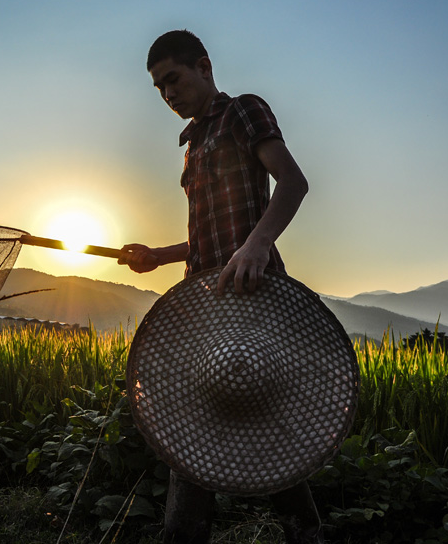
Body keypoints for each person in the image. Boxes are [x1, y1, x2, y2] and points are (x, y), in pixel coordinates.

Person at [119, 29, 322, 544]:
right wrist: (157, 256)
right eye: (159, 88)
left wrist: (257, 246)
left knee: (257, 425)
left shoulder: (242, 112)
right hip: (207, 305)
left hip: (253, 301)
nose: (168, 94)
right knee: (200, 427)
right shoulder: (193, 144)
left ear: (204, 67)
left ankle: (299, 531)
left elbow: (293, 182)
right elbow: (206, 238)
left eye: (174, 79)